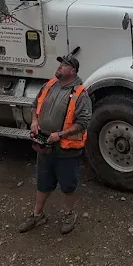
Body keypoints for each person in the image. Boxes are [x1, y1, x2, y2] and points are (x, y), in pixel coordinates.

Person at [19, 53, 92, 235]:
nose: (59, 67)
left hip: (66, 149)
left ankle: (69, 214)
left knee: (68, 185)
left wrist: (60, 135)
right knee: (43, 182)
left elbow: (83, 122)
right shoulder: (49, 85)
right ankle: (37, 215)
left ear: (72, 71)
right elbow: (35, 106)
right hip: (45, 144)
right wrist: (35, 121)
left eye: (64, 65)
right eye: (60, 64)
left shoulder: (80, 94)